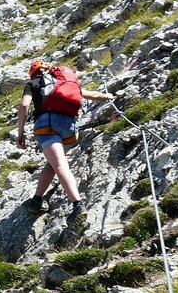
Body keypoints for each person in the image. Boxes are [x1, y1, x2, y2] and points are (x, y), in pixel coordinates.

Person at [16, 59, 114, 217]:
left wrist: (21, 133)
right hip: (69, 129)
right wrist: (107, 96)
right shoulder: (61, 80)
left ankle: (77, 205)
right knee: (53, 162)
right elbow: (90, 95)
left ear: (32, 74)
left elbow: (24, 106)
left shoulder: (33, 84)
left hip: (46, 126)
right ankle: (36, 200)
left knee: (59, 164)